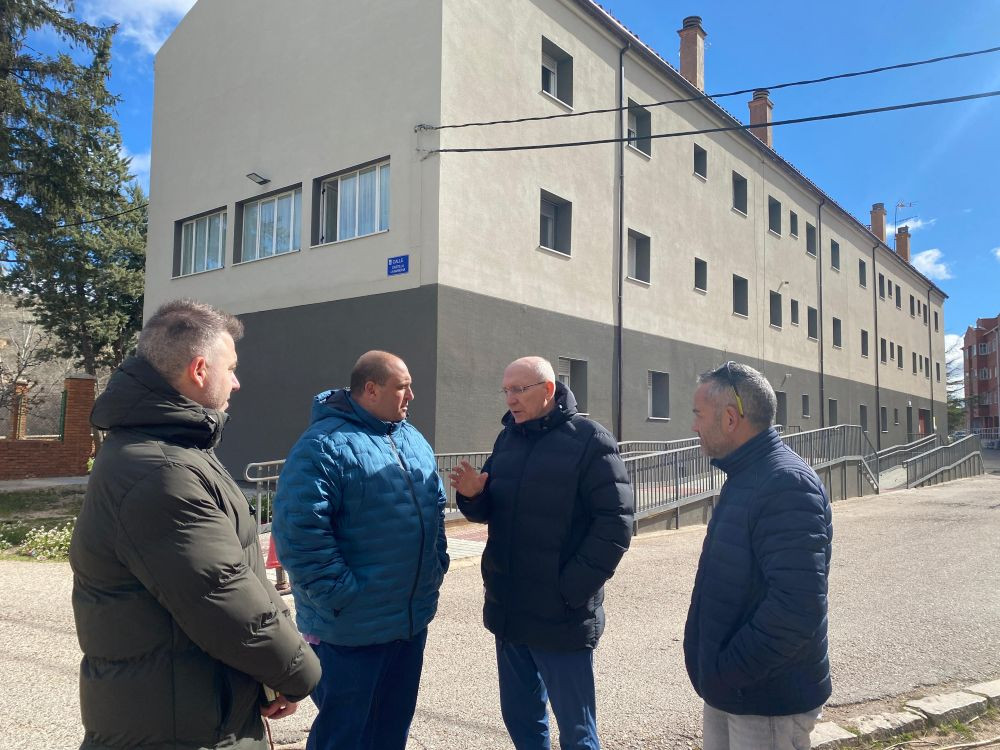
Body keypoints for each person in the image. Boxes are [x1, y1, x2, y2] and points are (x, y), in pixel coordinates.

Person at [70, 299, 320, 750]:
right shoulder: (159, 471)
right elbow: (222, 595)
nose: (238, 382)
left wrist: (275, 667)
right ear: (200, 370)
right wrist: (297, 671)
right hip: (177, 727)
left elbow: (241, 574)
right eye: (233, 368)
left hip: (199, 707)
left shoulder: (178, 451)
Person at [450, 356, 633, 750]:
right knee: (522, 721)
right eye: (506, 390)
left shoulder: (590, 440)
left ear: (548, 390)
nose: (510, 399)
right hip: (511, 609)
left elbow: (616, 524)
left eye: (520, 389)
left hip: (560, 615)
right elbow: (491, 508)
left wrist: (570, 590)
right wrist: (473, 495)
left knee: (577, 731)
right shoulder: (508, 438)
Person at [272, 350, 449, 750]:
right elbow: (299, 532)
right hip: (350, 630)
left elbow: (435, 504)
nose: (412, 396)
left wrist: (436, 562)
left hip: (408, 622)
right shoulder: (322, 446)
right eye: (402, 387)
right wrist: (341, 594)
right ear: (371, 389)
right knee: (345, 734)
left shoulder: (411, 437)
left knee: (390, 730)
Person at [684, 361, 833, 750]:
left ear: (730, 418)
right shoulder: (747, 476)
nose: (694, 426)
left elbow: (796, 608)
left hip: (766, 700)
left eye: (699, 414)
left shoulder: (784, 483)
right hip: (735, 691)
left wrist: (726, 671)